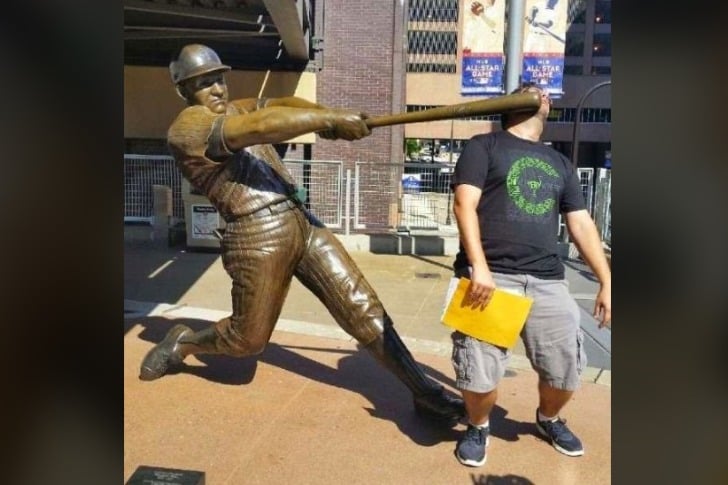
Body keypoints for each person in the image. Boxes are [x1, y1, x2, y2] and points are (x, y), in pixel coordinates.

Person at [138, 43, 465, 423]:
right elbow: (259, 127)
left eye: (218, 79)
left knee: (362, 306)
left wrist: (328, 117)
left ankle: (424, 392)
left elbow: (280, 106)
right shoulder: (188, 127)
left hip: (302, 222)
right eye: (203, 83)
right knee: (246, 341)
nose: (216, 89)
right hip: (257, 235)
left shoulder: (235, 108)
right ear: (183, 90)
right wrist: (328, 121)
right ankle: (184, 340)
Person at [447, 82, 611, 466]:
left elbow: (581, 223)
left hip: (548, 281)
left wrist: (607, 280)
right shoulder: (482, 146)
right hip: (491, 278)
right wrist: (479, 267)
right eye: (531, 89)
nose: (542, 94)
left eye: (544, 92)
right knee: (477, 373)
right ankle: (478, 425)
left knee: (565, 370)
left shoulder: (560, 163)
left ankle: (548, 418)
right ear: (513, 102)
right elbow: (463, 205)